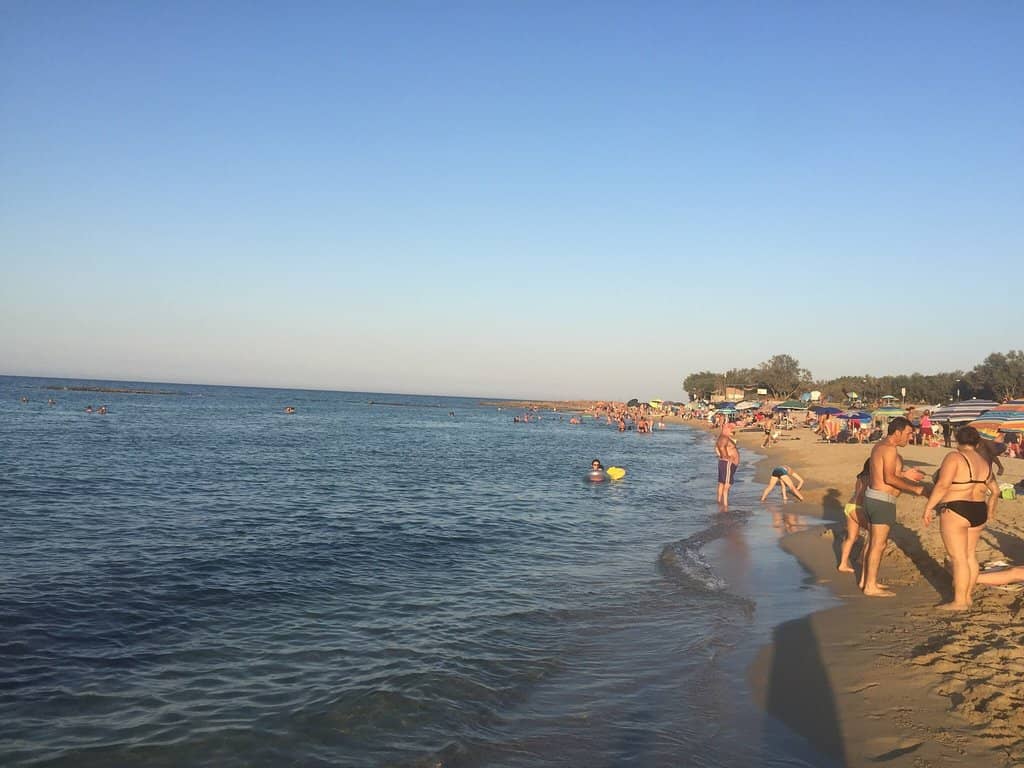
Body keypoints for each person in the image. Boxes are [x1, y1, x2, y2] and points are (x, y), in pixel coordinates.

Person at [923, 426, 1000, 610]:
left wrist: (929, 507)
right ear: (977, 442)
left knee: (958, 558)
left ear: (957, 440)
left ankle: (959, 601)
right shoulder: (984, 462)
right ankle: (967, 596)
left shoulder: (954, 457)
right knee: (970, 555)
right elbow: (995, 491)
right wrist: (991, 511)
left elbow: (942, 485)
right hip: (979, 509)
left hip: (956, 508)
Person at [860, 417, 927, 597]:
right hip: (882, 501)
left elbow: (884, 473)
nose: (910, 437)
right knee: (878, 545)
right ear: (898, 432)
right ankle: (870, 586)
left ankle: (866, 580)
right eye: (908, 433)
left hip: (873, 497)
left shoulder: (880, 446)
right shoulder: (890, 448)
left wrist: (905, 474)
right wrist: (916, 489)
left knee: (872, 542)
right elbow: (889, 478)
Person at [838, 459, 872, 574]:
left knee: (851, 537)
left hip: (850, 506)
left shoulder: (860, 477)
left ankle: (843, 564)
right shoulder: (871, 478)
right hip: (857, 508)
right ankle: (862, 558)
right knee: (874, 533)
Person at [715, 421, 740, 508]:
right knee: (727, 484)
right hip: (728, 463)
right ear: (725, 428)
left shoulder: (723, 437)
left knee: (722, 483)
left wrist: (722, 456)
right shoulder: (724, 438)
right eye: (730, 428)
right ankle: (725, 506)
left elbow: (717, 448)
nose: (732, 429)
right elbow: (721, 447)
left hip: (725, 463)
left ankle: (719, 502)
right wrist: (726, 457)